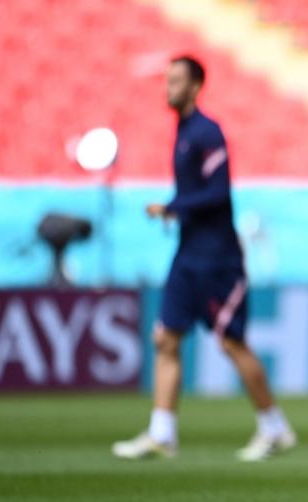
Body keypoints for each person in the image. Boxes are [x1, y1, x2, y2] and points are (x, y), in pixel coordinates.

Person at [112, 56, 295, 462]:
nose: (168, 88)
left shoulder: (207, 133)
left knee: (232, 343)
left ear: (196, 86)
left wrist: (171, 206)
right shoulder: (183, 131)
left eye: (176, 81)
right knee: (166, 338)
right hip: (188, 255)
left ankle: (275, 427)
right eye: (167, 80)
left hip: (217, 259)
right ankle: (162, 433)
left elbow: (218, 193)